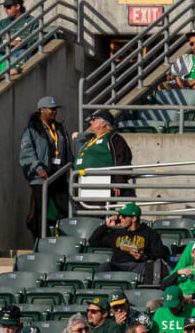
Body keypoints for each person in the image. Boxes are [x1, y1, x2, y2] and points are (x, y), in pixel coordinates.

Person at [18, 94, 69, 236]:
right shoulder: (32, 129)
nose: (54, 112)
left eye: (55, 109)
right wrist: (37, 167)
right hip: (41, 177)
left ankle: (63, 238)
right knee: (41, 210)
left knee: (65, 208)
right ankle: (40, 239)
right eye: (51, 109)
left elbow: (67, 151)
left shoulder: (59, 128)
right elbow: (26, 152)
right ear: (41, 110)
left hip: (59, 174)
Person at [88, 202, 168, 277]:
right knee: (104, 267)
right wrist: (106, 226)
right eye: (120, 215)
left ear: (134, 219)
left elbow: (161, 254)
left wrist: (144, 256)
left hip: (139, 266)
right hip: (118, 265)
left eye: (124, 216)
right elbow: (93, 241)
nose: (120, 218)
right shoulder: (116, 232)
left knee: (150, 267)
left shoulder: (150, 233)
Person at [73, 109, 131, 198]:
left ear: (103, 123)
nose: (91, 122)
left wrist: (118, 181)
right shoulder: (89, 140)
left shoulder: (113, 138)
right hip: (83, 184)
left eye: (94, 119)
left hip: (103, 185)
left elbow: (122, 160)